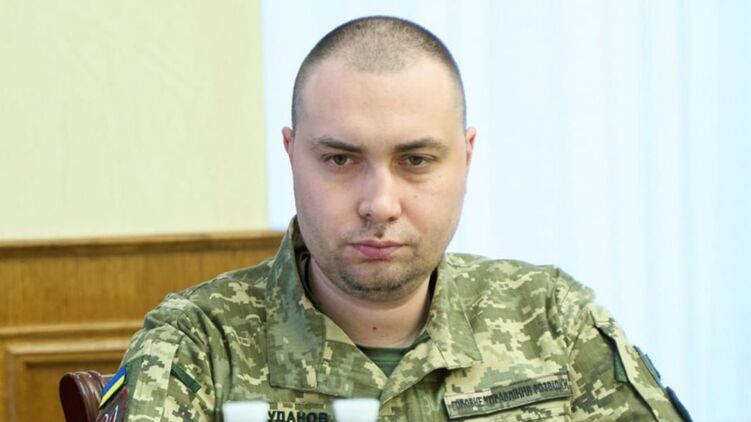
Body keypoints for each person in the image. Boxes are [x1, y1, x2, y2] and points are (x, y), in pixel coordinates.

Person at [97, 16, 691, 422]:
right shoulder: (200, 347)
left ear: (466, 159)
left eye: (416, 160)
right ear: (292, 156)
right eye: (340, 159)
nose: (380, 202)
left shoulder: (553, 319)